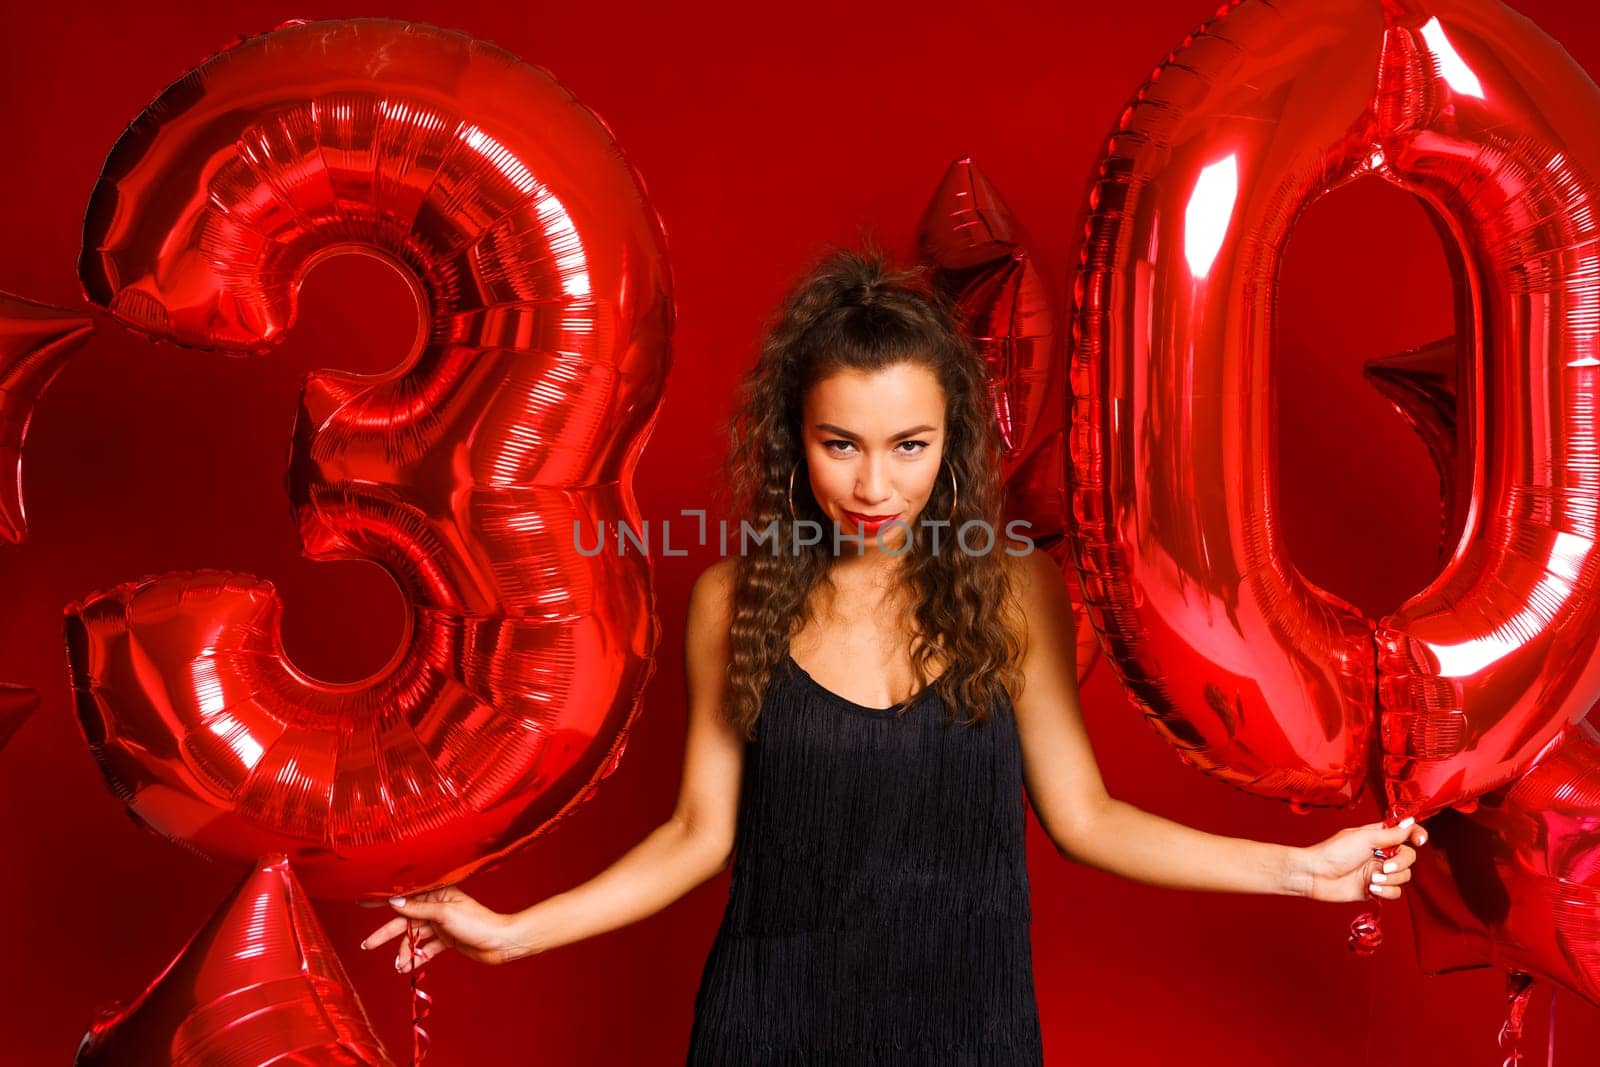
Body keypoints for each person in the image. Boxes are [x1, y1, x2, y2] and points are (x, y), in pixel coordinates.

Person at [359, 245, 1429, 1064]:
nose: (875, 485)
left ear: (950, 443)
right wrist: (512, 932)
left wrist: (1298, 870)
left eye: (907, 447)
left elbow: (1085, 818)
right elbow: (696, 833)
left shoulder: (1015, 592)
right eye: (842, 444)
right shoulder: (732, 602)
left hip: (970, 1033)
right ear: (794, 440)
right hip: (766, 1028)